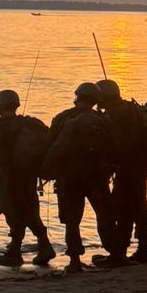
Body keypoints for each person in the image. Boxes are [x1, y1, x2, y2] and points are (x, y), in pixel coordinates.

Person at [0, 89, 54, 267]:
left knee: (14, 211)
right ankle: (18, 250)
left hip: (10, 176)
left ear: (0, 106)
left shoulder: (2, 125)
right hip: (29, 174)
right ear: (16, 105)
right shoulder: (30, 124)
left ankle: (37, 248)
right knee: (27, 209)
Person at [42, 83, 113, 272]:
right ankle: (115, 253)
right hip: (96, 178)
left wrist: (45, 170)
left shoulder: (62, 118)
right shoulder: (102, 119)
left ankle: (74, 260)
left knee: (72, 220)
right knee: (105, 215)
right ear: (96, 100)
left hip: (70, 178)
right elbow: (112, 147)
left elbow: (51, 145)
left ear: (77, 97)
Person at [95, 79, 147, 265]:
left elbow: (114, 144)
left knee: (123, 207)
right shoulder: (131, 108)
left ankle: (120, 253)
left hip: (128, 167)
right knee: (139, 206)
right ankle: (144, 249)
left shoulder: (114, 115)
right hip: (141, 165)